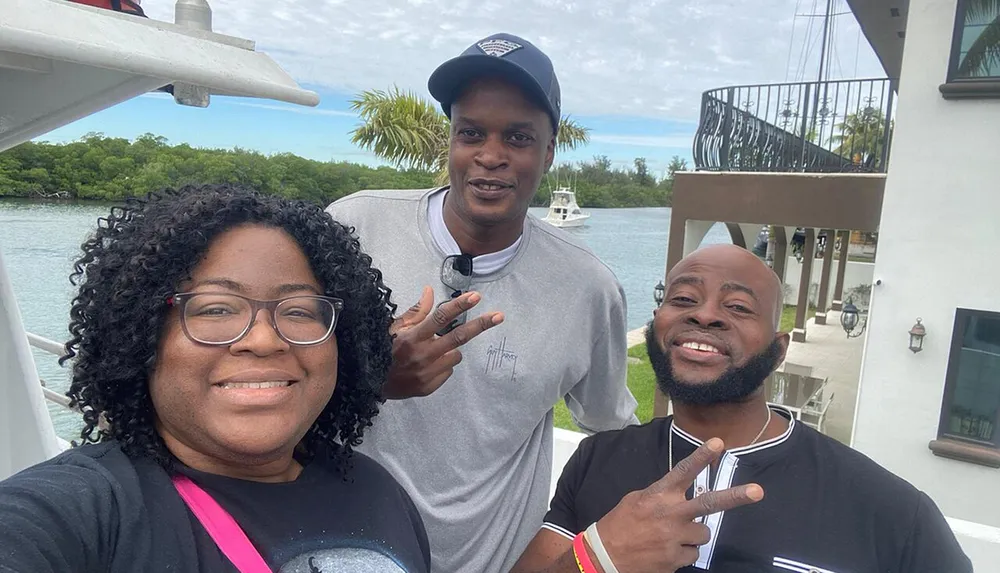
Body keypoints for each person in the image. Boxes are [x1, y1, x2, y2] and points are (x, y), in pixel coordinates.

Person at [325, 32, 638, 573]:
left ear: (549, 150)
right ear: (450, 141)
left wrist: (563, 542)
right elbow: (274, 375)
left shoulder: (589, 287)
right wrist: (372, 375)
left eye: (518, 138)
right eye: (471, 133)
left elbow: (611, 431)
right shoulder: (352, 227)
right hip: (341, 548)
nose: (490, 156)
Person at [0, 184, 432, 572]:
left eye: (299, 310)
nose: (263, 341)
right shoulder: (83, 511)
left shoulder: (376, 490)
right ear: (141, 335)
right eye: (216, 309)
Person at [513, 244, 973, 572]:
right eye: (683, 299)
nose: (705, 315)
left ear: (778, 349)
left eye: (737, 305)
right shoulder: (598, 460)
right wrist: (597, 559)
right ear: (657, 326)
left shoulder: (891, 512)